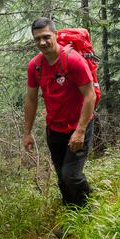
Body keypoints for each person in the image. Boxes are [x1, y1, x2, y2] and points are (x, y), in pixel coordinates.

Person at [23, 17, 96, 207]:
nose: (42, 42)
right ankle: (71, 217)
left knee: (71, 175)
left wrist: (80, 131)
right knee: (62, 178)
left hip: (79, 126)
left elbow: (90, 96)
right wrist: (27, 132)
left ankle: (89, 209)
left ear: (55, 35)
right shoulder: (35, 65)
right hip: (54, 129)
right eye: (37, 38)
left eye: (46, 37)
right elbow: (31, 99)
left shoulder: (72, 60)